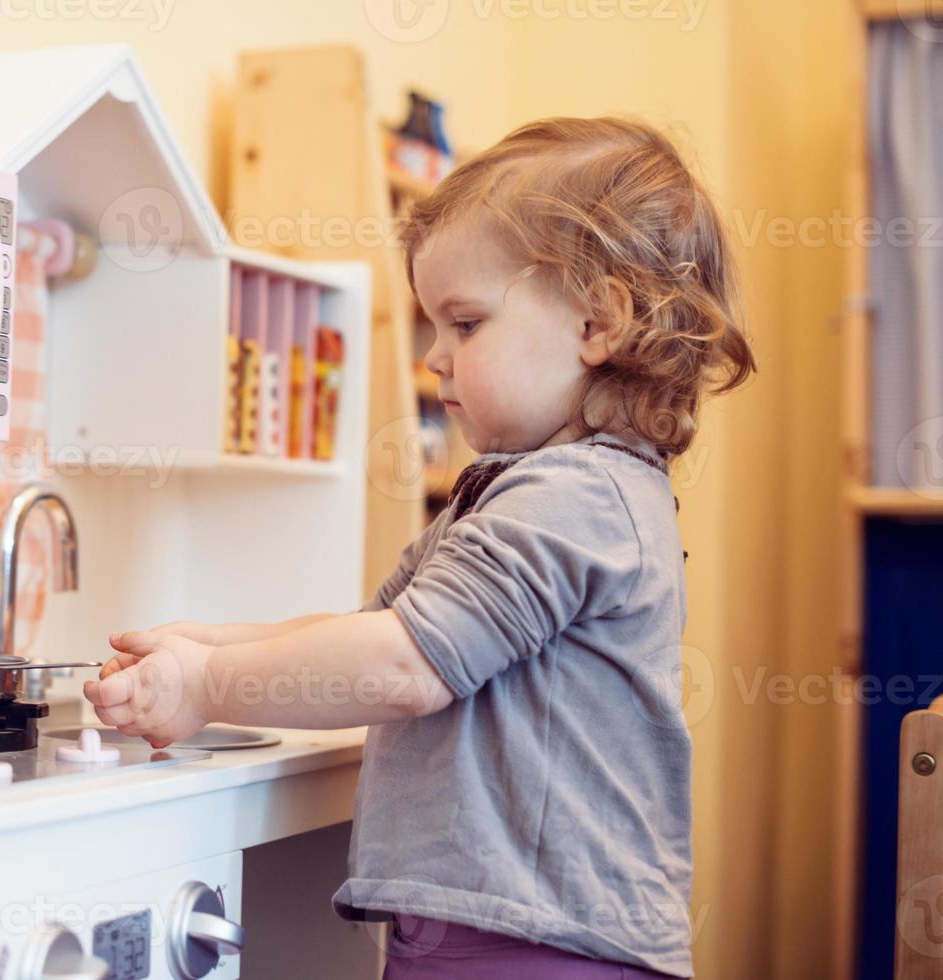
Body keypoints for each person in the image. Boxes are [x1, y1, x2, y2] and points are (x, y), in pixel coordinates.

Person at [84, 117, 755, 978]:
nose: (435, 357)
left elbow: (402, 665)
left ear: (598, 322)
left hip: (545, 943)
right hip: (495, 928)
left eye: (465, 323)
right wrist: (208, 643)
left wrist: (207, 685)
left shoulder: (578, 499)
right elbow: (374, 628)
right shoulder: (516, 488)